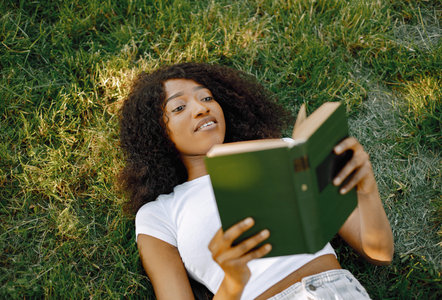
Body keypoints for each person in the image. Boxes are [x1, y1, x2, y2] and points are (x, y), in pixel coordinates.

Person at [119, 62, 394, 300]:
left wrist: (367, 191)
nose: (201, 109)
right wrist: (233, 279)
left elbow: (379, 253)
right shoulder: (158, 214)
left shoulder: (283, 151)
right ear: (157, 134)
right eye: (179, 107)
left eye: (207, 98)